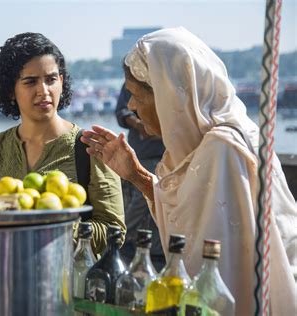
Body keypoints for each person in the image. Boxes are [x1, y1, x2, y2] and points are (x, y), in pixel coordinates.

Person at [81, 27, 297, 314]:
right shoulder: (210, 144)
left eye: (136, 95)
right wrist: (135, 174)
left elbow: (220, 275)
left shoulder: (222, 150)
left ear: (168, 97)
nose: (131, 106)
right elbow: (189, 217)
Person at [0, 32, 125, 255]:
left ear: (62, 83)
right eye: (30, 81)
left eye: (51, 79)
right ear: (10, 90)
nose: (43, 91)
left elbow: (114, 231)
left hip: (69, 285)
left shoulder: (90, 147)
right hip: (4, 282)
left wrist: (48, 231)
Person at [115, 83, 166, 270]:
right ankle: (124, 235)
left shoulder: (164, 79)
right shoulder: (132, 81)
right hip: (141, 153)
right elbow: (122, 111)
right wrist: (139, 124)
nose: (133, 104)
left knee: (149, 198)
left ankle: (123, 234)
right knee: (140, 197)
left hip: (163, 155)